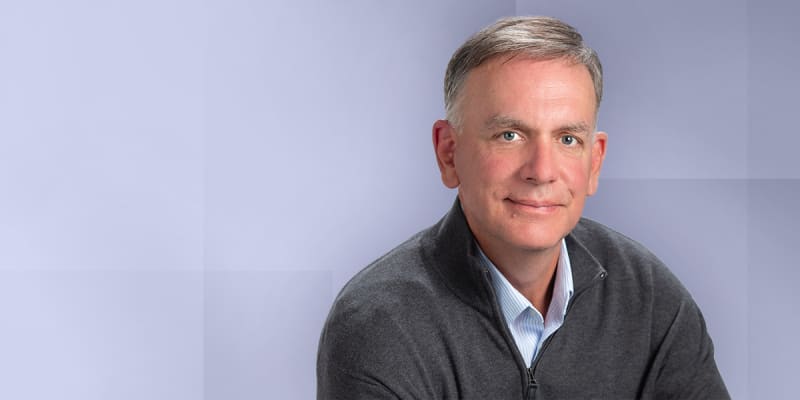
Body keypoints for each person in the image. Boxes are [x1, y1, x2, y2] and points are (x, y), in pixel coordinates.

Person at [317, 16, 729, 399]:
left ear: (594, 162)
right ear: (449, 153)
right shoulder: (379, 325)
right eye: (509, 135)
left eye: (568, 139)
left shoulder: (649, 298)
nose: (541, 171)